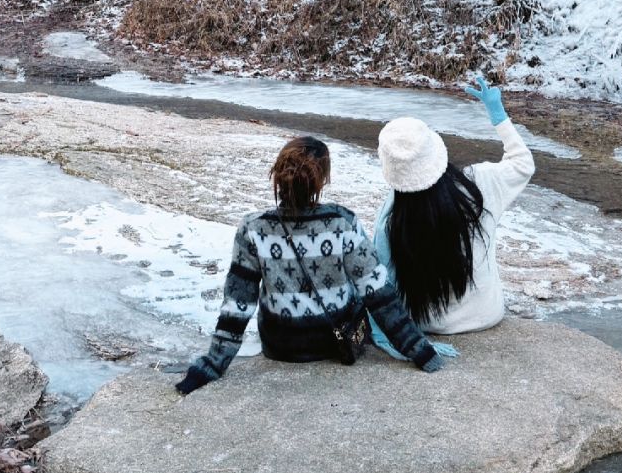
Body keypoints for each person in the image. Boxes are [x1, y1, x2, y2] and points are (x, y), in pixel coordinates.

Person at [175, 134, 443, 393]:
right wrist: (419, 350)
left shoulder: (253, 227)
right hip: (334, 343)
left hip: (279, 346)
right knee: (362, 287)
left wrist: (213, 363)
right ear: (322, 180)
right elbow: (378, 294)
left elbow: (238, 304)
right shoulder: (342, 222)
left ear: (279, 175)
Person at [372, 75, 535, 335]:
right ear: (437, 149)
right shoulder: (479, 182)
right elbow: (523, 165)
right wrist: (499, 116)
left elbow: (381, 278)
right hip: (485, 314)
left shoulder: (392, 213)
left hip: (425, 320)